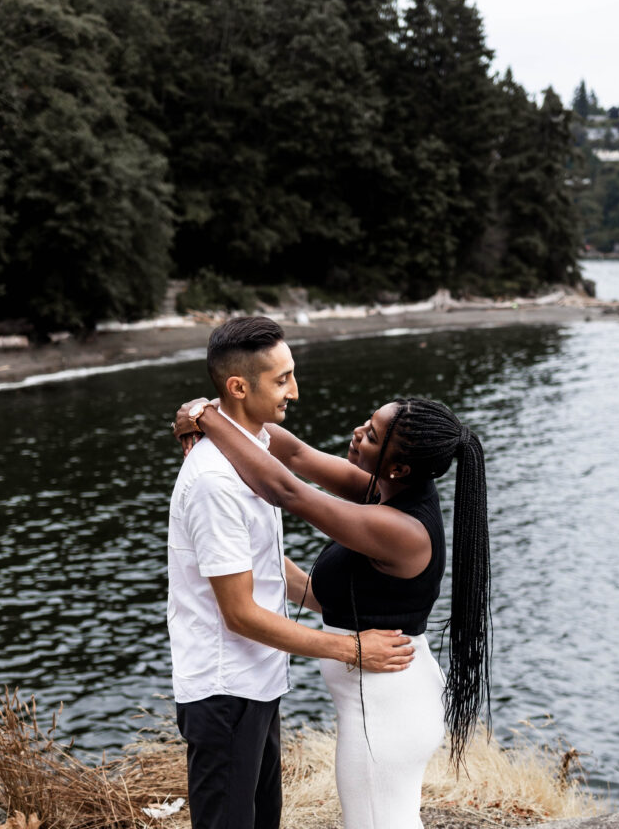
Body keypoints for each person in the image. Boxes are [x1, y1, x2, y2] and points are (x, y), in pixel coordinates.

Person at [174, 389, 491, 829]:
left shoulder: (401, 529)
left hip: (387, 711)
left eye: (373, 436)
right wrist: (207, 411)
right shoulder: (382, 489)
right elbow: (294, 453)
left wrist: (207, 419)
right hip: (388, 701)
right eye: (369, 421)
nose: (359, 432)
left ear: (398, 466)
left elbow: (288, 490)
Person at [167, 316, 415, 829]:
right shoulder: (216, 481)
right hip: (224, 690)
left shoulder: (255, 449)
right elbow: (238, 613)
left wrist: (347, 607)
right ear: (238, 387)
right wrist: (351, 648)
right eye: (282, 380)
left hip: (258, 682)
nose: (295, 392)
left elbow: (261, 562)